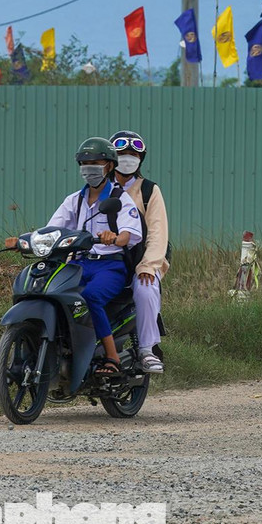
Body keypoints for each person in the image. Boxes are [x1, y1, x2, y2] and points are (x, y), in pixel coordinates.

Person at [45, 137, 144, 376]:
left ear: (109, 165)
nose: (89, 168)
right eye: (85, 163)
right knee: (51, 293)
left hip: (110, 266)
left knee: (90, 297)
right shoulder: (74, 200)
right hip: (78, 263)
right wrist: (23, 240)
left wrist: (114, 237)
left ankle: (111, 356)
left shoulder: (120, 199)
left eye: (96, 162)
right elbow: (52, 228)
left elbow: (130, 234)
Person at [110, 130, 168, 374]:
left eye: (134, 154)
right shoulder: (99, 188)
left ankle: (146, 349)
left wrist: (148, 265)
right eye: (122, 153)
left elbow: (158, 232)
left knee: (145, 288)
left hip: (138, 259)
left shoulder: (148, 190)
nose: (128, 158)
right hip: (105, 259)